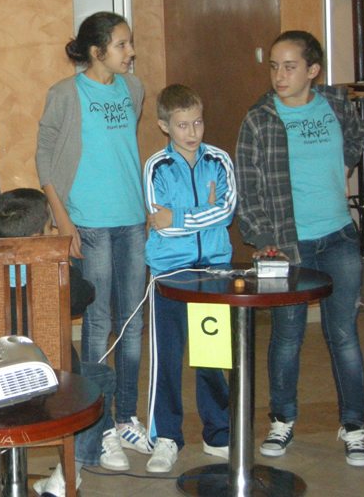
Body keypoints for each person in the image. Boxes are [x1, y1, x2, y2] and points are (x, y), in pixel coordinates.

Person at [235, 30, 364, 467]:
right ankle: (282, 420)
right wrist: (264, 240)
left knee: (344, 335)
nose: (280, 75)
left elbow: (357, 137)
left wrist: (339, 170)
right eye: (274, 66)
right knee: (287, 335)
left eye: (290, 67)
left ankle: (354, 427)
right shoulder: (259, 119)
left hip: (339, 238)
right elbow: (248, 189)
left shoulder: (336, 105)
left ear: (313, 70)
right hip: (289, 247)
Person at [0, 188, 116, 497]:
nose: (54, 231)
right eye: (49, 227)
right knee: (102, 378)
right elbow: (85, 297)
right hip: (54, 392)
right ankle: (67, 476)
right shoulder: (60, 273)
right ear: (37, 236)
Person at [36, 11, 150, 471]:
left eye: (129, 43)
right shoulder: (65, 94)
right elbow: (45, 157)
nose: (131, 52)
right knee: (99, 321)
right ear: (96, 51)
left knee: (133, 322)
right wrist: (63, 221)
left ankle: (126, 417)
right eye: (122, 45)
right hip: (90, 223)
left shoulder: (134, 89)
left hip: (133, 220)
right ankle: (99, 428)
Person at [142, 84, 234, 473]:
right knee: (168, 357)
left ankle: (218, 434)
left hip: (213, 269)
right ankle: (166, 437)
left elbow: (227, 211)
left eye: (197, 122)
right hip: (170, 273)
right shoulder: (156, 167)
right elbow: (159, 222)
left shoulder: (219, 160)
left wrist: (180, 216)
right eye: (182, 125)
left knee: (212, 356)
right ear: (165, 126)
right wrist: (202, 213)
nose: (192, 132)